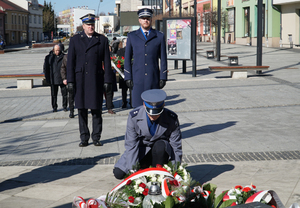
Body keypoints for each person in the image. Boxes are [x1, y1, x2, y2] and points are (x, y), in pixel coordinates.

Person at [67, 13, 114, 147]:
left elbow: (107, 62)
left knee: (96, 110)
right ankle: (84, 137)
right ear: (83, 26)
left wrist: (108, 80)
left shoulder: (102, 40)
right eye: (88, 25)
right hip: (80, 79)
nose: (91, 27)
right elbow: (70, 61)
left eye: (92, 25)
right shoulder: (75, 40)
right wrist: (70, 80)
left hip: (95, 79)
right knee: (81, 110)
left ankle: (96, 137)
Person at [113, 89, 182, 179]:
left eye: (157, 113)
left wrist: (175, 170)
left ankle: (157, 172)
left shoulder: (171, 118)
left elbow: (176, 146)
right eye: (150, 113)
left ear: (163, 105)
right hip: (141, 150)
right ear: (144, 105)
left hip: (160, 153)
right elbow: (131, 145)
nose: (153, 116)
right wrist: (133, 171)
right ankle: (144, 166)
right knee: (118, 173)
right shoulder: (134, 117)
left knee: (160, 146)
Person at [124, 8, 168, 108]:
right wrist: (128, 77)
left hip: (153, 79)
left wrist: (163, 77)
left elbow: (163, 59)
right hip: (137, 80)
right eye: (143, 18)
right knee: (138, 109)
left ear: (151, 19)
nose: (145, 20)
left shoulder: (159, 36)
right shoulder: (132, 36)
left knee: (154, 109)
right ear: (139, 20)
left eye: (147, 18)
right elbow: (127, 58)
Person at [43, 45, 67, 112]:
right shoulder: (49, 57)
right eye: (56, 50)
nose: (57, 52)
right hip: (53, 79)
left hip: (62, 78)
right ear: (53, 50)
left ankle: (64, 106)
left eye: (58, 50)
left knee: (64, 94)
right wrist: (47, 78)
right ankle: (54, 107)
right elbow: (46, 69)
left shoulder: (64, 57)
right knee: (54, 95)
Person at [117, 39, 131, 108]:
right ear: (124, 43)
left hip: (131, 73)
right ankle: (124, 102)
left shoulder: (133, 50)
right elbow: (118, 60)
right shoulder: (120, 51)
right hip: (123, 72)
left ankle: (131, 101)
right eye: (126, 42)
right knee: (124, 90)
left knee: (132, 88)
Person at [61, 54, 75, 118]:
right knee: (71, 95)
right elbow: (63, 68)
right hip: (70, 78)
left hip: (79, 77)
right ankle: (71, 111)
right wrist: (64, 78)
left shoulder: (79, 54)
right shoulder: (66, 57)